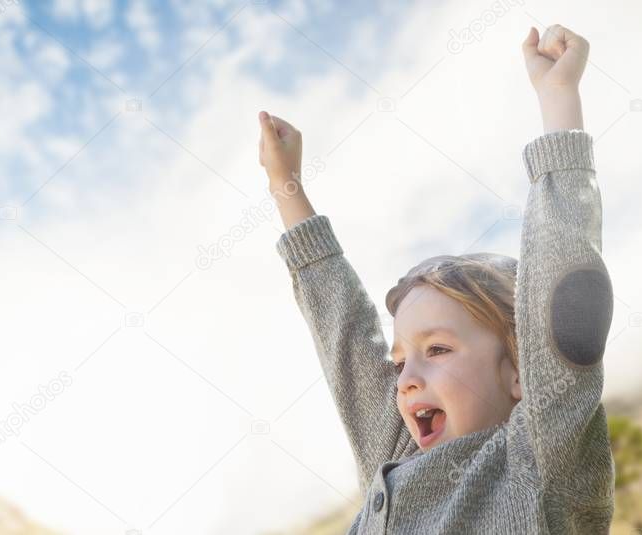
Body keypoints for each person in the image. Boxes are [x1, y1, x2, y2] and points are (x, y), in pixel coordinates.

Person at [258, 24, 614, 534]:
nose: (405, 381)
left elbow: (562, 297)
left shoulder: (537, 458)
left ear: (520, 369)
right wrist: (284, 186)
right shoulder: (397, 457)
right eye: (401, 360)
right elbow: (346, 337)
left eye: (439, 349)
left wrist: (559, 101)